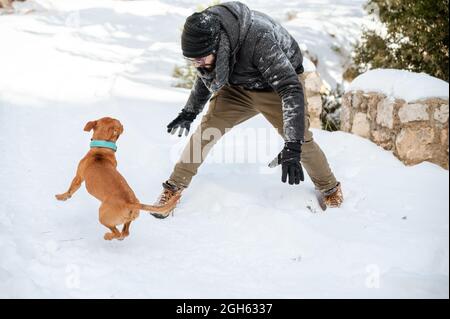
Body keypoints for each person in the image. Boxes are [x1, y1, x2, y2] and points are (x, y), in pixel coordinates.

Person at [151, 1, 343, 218]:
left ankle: (330, 188)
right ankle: (173, 188)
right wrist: (190, 111)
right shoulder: (208, 43)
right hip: (236, 88)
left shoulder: (259, 39)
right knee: (206, 132)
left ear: (219, 46)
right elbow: (206, 76)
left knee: (301, 141)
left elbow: (291, 89)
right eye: (191, 60)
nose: (197, 64)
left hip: (275, 88)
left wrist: (292, 146)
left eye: (201, 58)